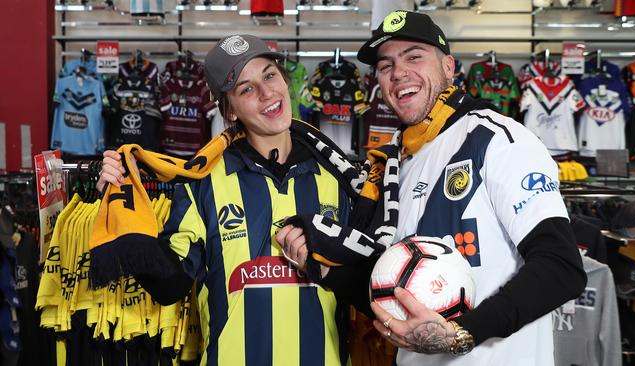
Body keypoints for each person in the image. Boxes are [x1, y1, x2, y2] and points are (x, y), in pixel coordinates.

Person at [278, 10, 587, 366]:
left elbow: (561, 268)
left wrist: (461, 334)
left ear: (449, 67)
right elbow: (392, 294)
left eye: (414, 56)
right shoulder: (395, 163)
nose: (398, 73)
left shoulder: (498, 139)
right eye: (385, 65)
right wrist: (323, 268)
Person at [97, 34, 362, 366]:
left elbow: (362, 287)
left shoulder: (340, 177)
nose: (267, 93)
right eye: (246, 89)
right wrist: (124, 205)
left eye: (269, 75)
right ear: (230, 111)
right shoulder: (203, 181)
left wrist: (324, 267)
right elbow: (169, 287)